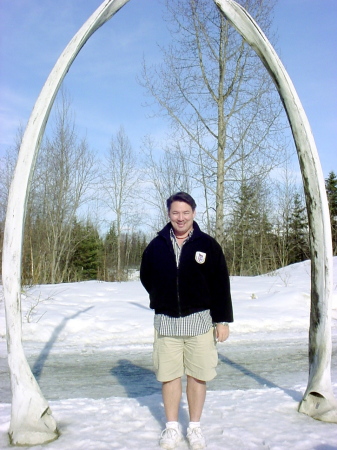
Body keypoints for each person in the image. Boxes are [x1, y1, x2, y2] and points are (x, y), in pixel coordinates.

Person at [140, 192, 233, 450]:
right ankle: (171, 428)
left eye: (185, 213)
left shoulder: (208, 245)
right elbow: (146, 276)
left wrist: (222, 319)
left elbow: (220, 284)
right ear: (168, 214)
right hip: (167, 325)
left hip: (200, 324)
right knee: (169, 377)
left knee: (197, 376)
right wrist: (162, 296)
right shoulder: (156, 246)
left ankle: (194, 427)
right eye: (175, 213)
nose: (180, 218)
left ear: (193, 213)